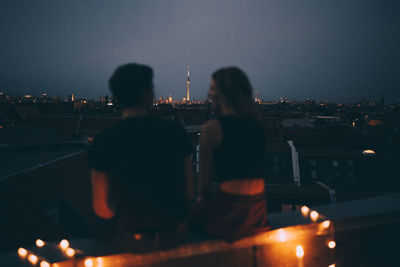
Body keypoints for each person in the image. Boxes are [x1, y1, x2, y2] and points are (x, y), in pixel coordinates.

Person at [88, 63, 193, 252]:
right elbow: (188, 193)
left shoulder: (103, 141)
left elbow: (102, 208)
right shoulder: (176, 132)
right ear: (147, 94)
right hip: (172, 236)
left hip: (128, 239)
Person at [197, 67, 269, 242]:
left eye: (213, 88)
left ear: (224, 93)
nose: (208, 93)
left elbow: (203, 190)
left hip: (229, 216)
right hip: (258, 215)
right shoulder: (258, 127)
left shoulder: (211, 129)